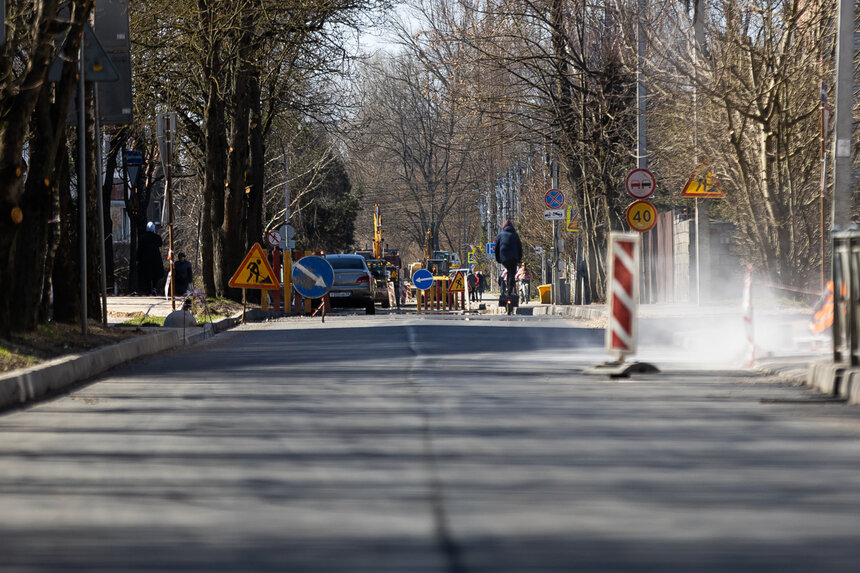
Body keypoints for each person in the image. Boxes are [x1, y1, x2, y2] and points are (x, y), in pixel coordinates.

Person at [494, 219, 523, 300]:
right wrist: (519, 258)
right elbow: (519, 247)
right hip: (514, 258)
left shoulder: (500, 235)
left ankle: (505, 289)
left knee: (508, 271)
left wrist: (498, 259)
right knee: (512, 273)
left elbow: (496, 248)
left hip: (504, 258)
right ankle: (509, 291)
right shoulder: (515, 235)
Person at [137, 222, 164, 295]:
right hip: (155, 259)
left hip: (145, 259)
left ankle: (148, 290)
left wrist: (138, 258)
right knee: (155, 275)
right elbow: (161, 243)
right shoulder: (157, 237)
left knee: (147, 276)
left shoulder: (143, 237)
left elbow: (140, 249)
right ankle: (154, 288)